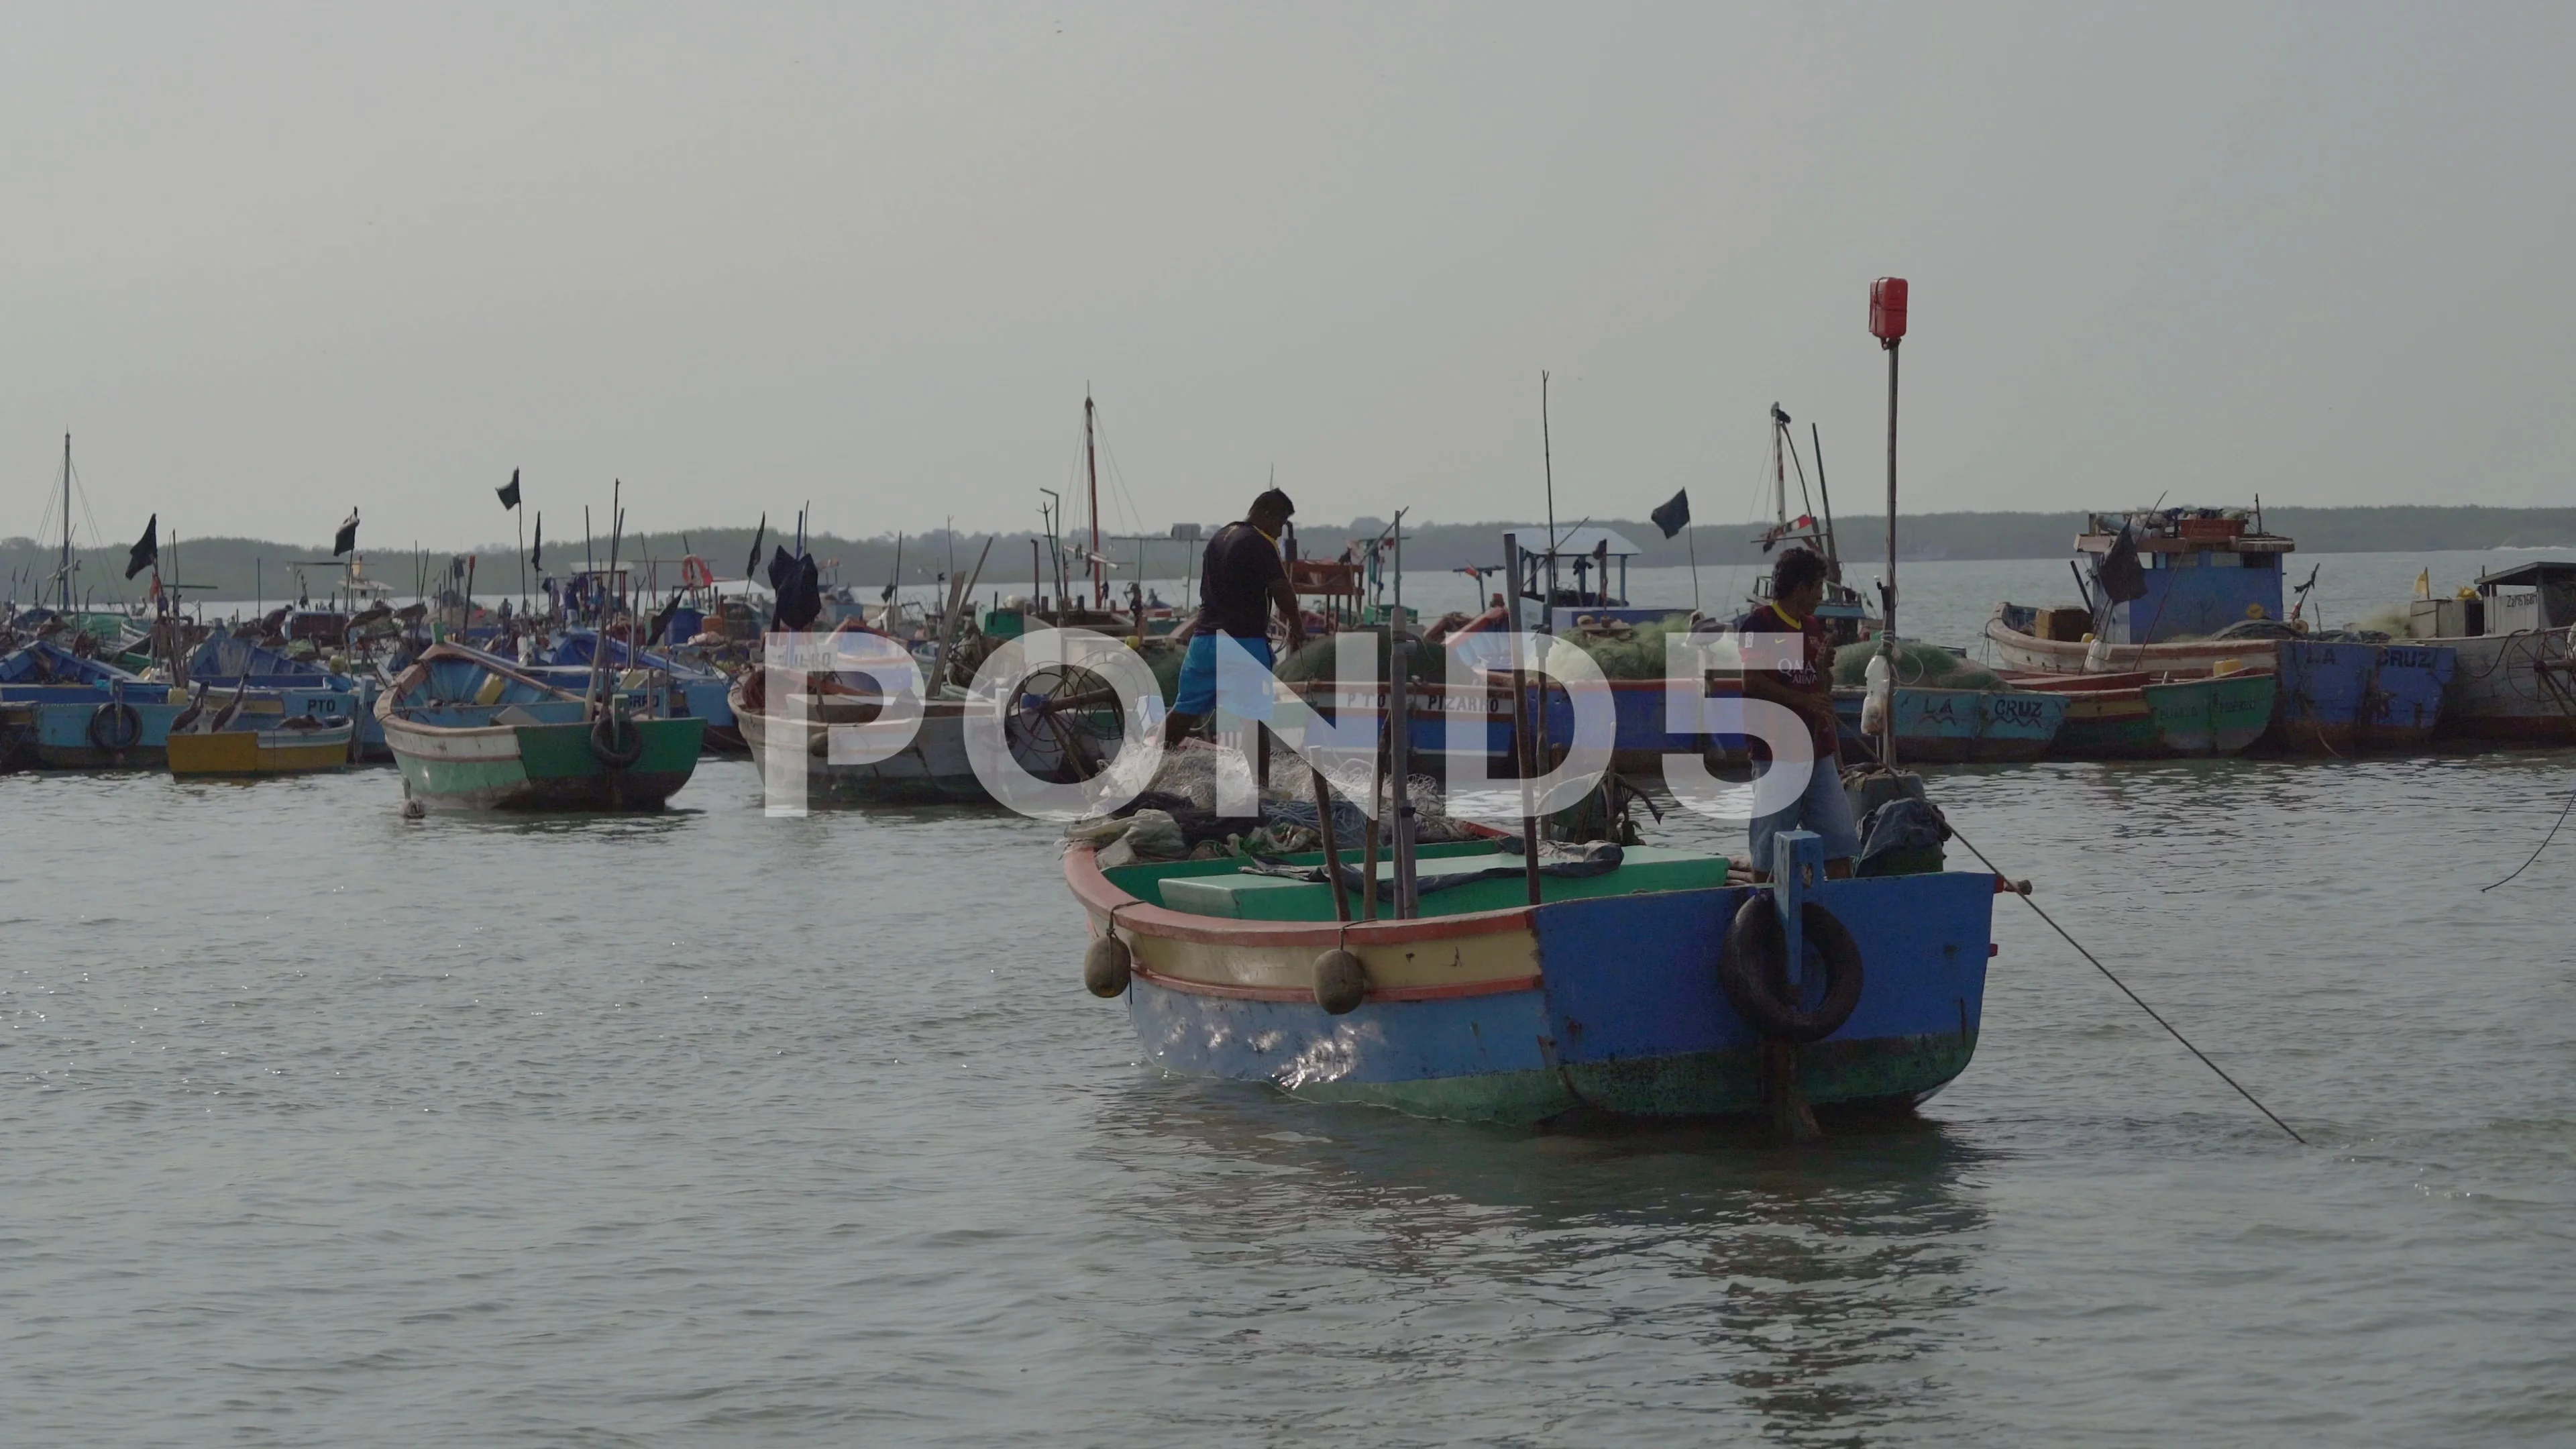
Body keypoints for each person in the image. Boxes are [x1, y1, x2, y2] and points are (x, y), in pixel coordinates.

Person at [1735, 547, 1858, 879]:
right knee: (1770, 840)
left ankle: (1841, 911)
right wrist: (1803, 702)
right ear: (1800, 587)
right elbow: (1752, 681)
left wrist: (1825, 669)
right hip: (1777, 751)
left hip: (1818, 750)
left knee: (1838, 838)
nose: (1821, 595)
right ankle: (1761, 906)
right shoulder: (1760, 623)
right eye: (1818, 586)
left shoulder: (1814, 627)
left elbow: (1819, 686)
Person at [1165, 488, 1303, 746]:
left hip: (1204, 642)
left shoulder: (1218, 538)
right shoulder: (1261, 542)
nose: (1280, 532)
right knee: (1253, 720)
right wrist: (1297, 627)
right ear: (1266, 514)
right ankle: (1260, 786)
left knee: (1183, 711)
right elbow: (1281, 588)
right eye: (1281, 523)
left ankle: (1146, 766)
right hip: (1243, 643)